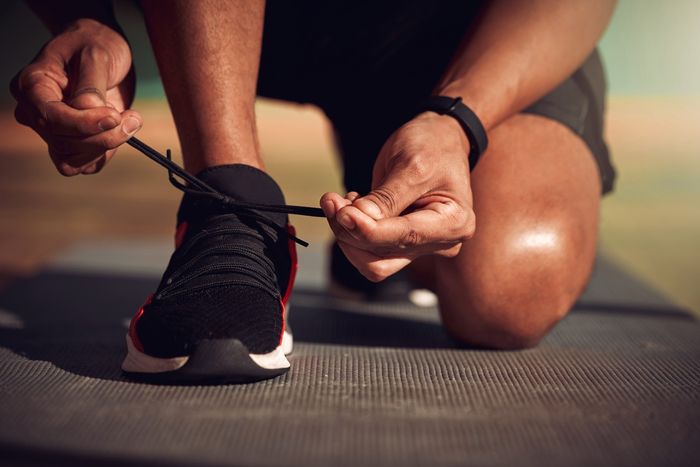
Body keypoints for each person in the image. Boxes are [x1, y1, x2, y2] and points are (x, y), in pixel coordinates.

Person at [11, 0, 617, 383]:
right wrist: (84, 17)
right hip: (252, 21)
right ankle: (231, 200)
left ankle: (392, 186)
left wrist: (458, 121)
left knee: (509, 295)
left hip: (466, 35)